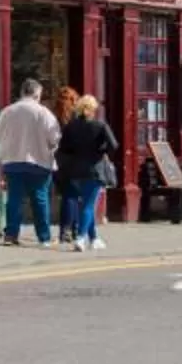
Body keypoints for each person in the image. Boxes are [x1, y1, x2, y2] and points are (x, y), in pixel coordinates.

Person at [0, 76, 62, 246]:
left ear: (22, 92)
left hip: (13, 160)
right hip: (39, 161)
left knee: (14, 199)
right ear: (37, 94)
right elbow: (54, 138)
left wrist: (3, 154)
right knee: (40, 199)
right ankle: (44, 237)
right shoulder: (44, 113)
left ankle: (11, 234)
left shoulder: (8, 111)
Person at [56, 93, 120, 251]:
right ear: (93, 109)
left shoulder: (71, 126)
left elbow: (63, 148)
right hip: (94, 170)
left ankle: (94, 238)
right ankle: (81, 237)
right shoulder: (100, 126)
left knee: (85, 204)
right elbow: (114, 145)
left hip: (75, 171)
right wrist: (100, 150)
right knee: (88, 206)